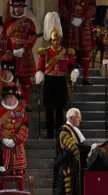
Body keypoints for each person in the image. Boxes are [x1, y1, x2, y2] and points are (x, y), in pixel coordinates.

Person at [35, 12, 79, 140]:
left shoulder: (67, 52)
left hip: (60, 80)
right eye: (54, 40)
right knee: (49, 109)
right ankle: (49, 133)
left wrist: (73, 72)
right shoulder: (45, 52)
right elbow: (40, 66)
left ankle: (60, 133)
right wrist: (39, 73)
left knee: (60, 109)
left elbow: (72, 65)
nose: (56, 42)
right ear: (50, 40)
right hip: (49, 80)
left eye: (58, 40)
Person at [53, 108, 94, 195]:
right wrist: (92, 147)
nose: (79, 121)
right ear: (71, 118)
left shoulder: (72, 130)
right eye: (78, 118)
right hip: (66, 167)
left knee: (76, 191)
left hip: (74, 166)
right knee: (68, 192)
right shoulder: (64, 131)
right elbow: (73, 148)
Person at [5, 0, 36, 111]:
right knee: (10, 79)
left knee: (25, 80)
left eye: (19, 7)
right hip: (11, 55)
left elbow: (32, 37)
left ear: (23, 8)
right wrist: (9, 50)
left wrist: (24, 48)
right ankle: (10, 102)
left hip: (24, 54)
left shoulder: (29, 22)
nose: (17, 9)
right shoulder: (8, 22)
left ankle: (26, 103)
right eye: (15, 7)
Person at [58, 0, 95, 85]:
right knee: (71, 50)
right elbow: (62, 6)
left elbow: (92, 7)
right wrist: (69, 17)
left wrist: (83, 18)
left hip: (85, 22)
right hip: (70, 23)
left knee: (86, 49)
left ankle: (86, 77)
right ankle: (72, 77)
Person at [0, 84, 28, 188]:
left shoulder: (21, 111)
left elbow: (25, 128)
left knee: (20, 171)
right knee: (2, 171)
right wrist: (2, 139)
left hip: (17, 145)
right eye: (7, 97)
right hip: (2, 146)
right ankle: (1, 192)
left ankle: (21, 191)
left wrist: (15, 140)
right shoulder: (0, 110)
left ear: (15, 98)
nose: (10, 99)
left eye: (11, 97)